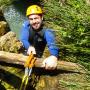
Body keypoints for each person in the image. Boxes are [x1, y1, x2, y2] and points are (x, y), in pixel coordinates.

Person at [20, 5, 59, 70]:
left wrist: (54, 56)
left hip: (38, 52)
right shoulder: (26, 25)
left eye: (36, 18)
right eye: (31, 19)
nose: (34, 21)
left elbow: (52, 43)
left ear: (42, 18)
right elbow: (24, 38)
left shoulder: (47, 30)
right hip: (27, 48)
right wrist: (29, 47)